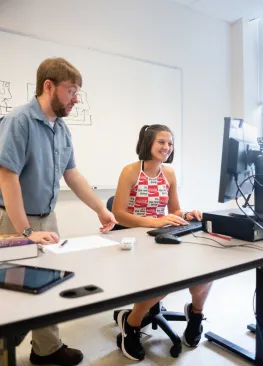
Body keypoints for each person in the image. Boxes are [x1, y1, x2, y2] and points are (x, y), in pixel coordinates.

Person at [0, 57, 117, 366]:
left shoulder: (61, 129)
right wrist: (25, 231)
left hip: (46, 218)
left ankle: (46, 349)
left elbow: (72, 175)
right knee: (11, 293)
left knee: (48, 284)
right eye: (72, 91)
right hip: (13, 221)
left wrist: (100, 210)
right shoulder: (19, 121)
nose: (76, 99)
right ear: (48, 86)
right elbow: (7, 176)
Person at [112, 124, 212, 361]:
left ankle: (196, 315)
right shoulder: (130, 172)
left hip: (162, 238)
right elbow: (118, 214)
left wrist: (185, 215)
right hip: (134, 239)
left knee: (207, 272)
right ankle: (132, 323)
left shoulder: (169, 174)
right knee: (165, 279)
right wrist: (154, 222)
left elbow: (174, 209)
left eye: (170, 143)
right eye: (161, 142)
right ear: (148, 143)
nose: (167, 147)